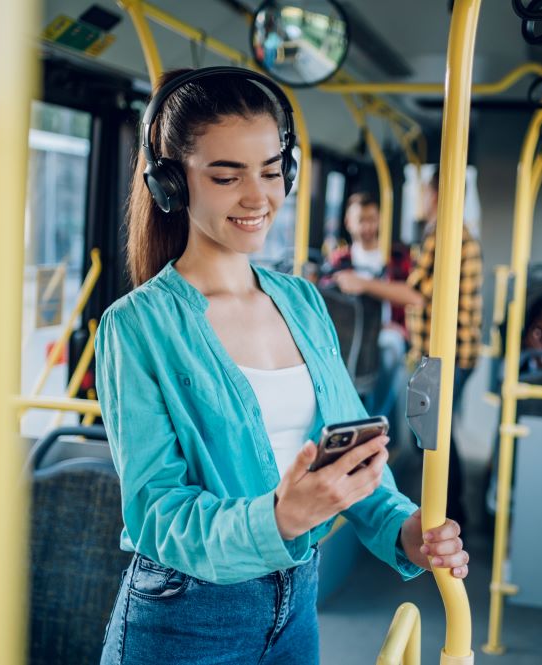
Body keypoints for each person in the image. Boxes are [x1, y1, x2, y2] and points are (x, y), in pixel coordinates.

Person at [95, 67, 469, 665]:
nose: (258, 197)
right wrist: (278, 518)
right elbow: (157, 513)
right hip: (186, 617)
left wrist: (406, 529)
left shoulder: (301, 301)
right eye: (226, 175)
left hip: (297, 604)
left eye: (272, 172)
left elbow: (349, 457)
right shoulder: (136, 328)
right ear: (173, 184)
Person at [333, 169, 482, 526]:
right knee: (434, 432)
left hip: (448, 351)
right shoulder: (454, 233)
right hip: (456, 349)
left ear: (434, 196)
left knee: (433, 436)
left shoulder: (441, 234)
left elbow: (416, 294)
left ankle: (447, 515)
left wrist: (363, 285)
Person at [323, 192, 411, 417]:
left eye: (372, 219)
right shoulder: (339, 260)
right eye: (361, 220)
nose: (367, 226)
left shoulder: (396, 256)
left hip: (387, 330)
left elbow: (411, 295)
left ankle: (373, 419)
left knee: (390, 349)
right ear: (348, 222)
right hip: (349, 334)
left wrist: (364, 284)